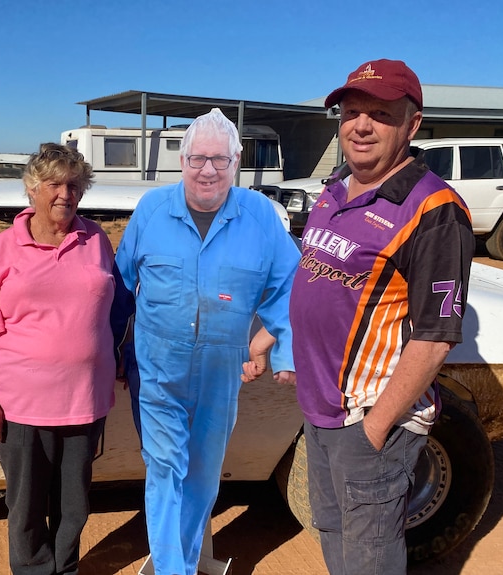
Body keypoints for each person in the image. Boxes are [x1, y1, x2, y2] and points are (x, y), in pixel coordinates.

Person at [289, 59, 475, 574]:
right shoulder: (334, 187)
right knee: (332, 531)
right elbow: (317, 280)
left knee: (369, 557)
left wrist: (374, 428)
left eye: (380, 113)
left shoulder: (434, 210)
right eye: (351, 112)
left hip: (371, 420)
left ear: (412, 124)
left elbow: (436, 337)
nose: (361, 125)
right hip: (321, 409)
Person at [115, 108, 300, 575]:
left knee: (201, 475)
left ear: (237, 162)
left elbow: (291, 288)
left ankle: (180, 558)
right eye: (199, 158)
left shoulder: (259, 216)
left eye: (220, 160)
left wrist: (277, 347)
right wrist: (111, 351)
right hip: (159, 367)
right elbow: (119, 286)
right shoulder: (152, 210)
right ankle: (173, 570)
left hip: (222, 370)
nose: (209, 170)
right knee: (164, 469)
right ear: (182, 161)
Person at [0, 143, 127, 575]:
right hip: (22, 405)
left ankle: (64, 569)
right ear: (32, 189)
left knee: (75, 505)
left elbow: (111, 309)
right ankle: (33, 570)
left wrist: (120, 355)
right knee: (27, 506)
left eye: (73, 185)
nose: (64, 194)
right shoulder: (3, 248)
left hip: (85, 400)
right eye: (53, 184)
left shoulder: (96, 240)